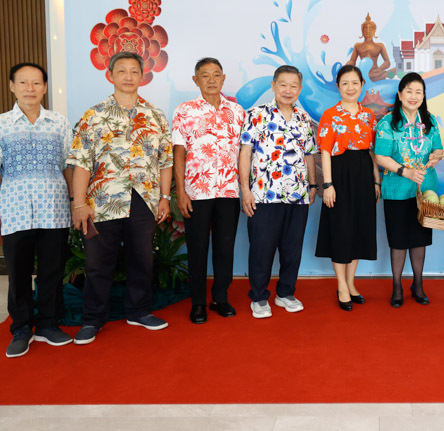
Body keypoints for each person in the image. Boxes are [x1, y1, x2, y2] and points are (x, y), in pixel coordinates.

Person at [68, 52, 174, 345]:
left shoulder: (155, 115)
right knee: (98, 263)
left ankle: (139, 311)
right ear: (111, 75)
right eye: (122, 71)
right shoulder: (94, 115)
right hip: (102, 201)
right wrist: (79, 203)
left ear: (142, 76)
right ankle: (92, 319)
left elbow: (166, 161)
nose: (128, 76)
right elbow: (81, 162)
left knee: (142, 258)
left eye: (134, 71)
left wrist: (165, 197)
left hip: (144, 198)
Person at [0, 63, 74, 357]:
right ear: (12, 86)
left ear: (45, 87)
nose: (30, 88)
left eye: (36, 83)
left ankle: (48, 325)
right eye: (23, 83)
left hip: (54, 208)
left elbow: (69, 167)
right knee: (18, 273)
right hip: (14, 209)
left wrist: (74, 203)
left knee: (52, 270)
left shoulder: (59, 123)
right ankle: (21, 328)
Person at [240, 65, 317, 319]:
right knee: (261, 248)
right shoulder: (256, 114)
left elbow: (309, 155)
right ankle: (259, 297)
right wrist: (245, 189)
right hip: (263, 194)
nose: (288, 90)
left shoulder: (304, 119)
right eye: (283, 84)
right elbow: (245, 152)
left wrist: (313, 186)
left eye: (293, 86)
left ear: (300, 89)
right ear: (273, 85)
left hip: (298, 195)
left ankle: (285, 293)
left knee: (292, 249)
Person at [172, 58, 246, 324]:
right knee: (197, 248)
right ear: (196, 80)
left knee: (225, 247)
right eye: (205, 75)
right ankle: (198, 303)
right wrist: (181, 193)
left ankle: (220, 298)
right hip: (196, 192)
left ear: (223, 79)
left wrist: (246, 188)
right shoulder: (185, 111)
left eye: (216, 75)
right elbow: (178, 153)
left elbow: (244, 153)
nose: (211, 80)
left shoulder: (237, 112)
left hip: (228, 191)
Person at [374, 72, 443, 307]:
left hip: (425, 191)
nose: (414, 96)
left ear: (423, 96)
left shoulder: (429, 121)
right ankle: (396, 285)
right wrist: (406, 172)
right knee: (398, 240)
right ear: (400, 95)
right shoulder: (387, 123)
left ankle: (418, 284)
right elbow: (380, 156)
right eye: (409, 91)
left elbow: (438, 149)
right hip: (396, 189)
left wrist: (435, 156)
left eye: (418, 92)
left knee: (419, 238)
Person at [315, 65, 380, 311]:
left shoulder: (369, 116)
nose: (350, 88)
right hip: (339, 174)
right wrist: (328, 184)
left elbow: (372, 151)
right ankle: (341, 285)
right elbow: (325, 151)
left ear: (362, 85)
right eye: (345, 83)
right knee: (340, 229)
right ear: (338, 87)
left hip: (364, 175)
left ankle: (351, 283)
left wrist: (376, 180)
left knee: (358, 230)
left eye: (355, 83)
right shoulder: (330, 115)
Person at [347, 13, 391, 81]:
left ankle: (373, 77)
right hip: (363, 73)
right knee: (357, 75)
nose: (368, 31)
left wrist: (379, 69)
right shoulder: (358, 46)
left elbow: (387, 62)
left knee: (393, 70)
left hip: (376, 72)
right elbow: (352, 61)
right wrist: (346, 66)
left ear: (374, 30)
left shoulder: (380, 46)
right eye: (365, 29)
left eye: (370, 29)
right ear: (362, 31)